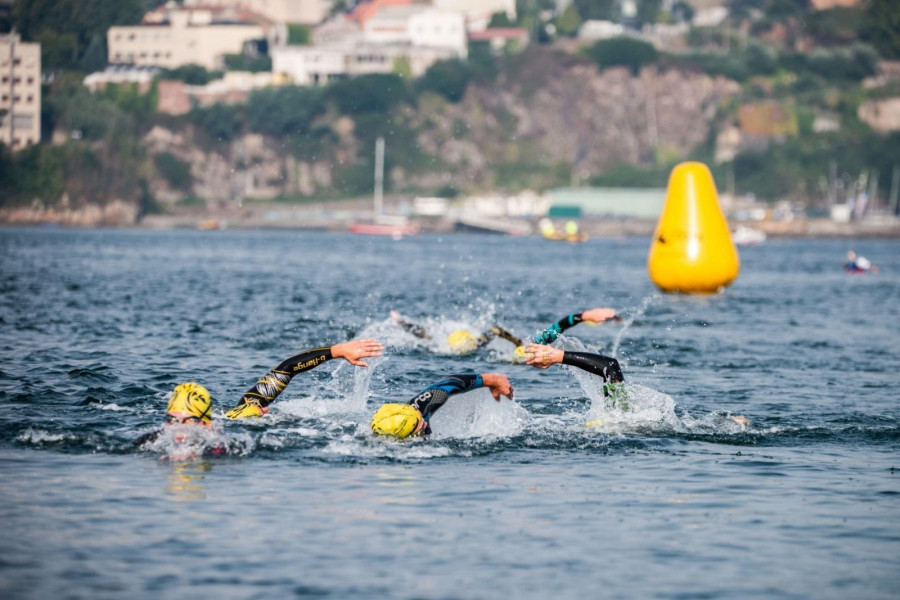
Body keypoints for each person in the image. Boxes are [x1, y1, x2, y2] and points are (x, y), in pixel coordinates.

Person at [137, 339, 384, 446]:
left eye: (188, 421)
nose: (178, 431)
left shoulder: (239, 419)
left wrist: (337, 351)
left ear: (206, 424)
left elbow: (286, 369)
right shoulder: (149, 442)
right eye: (172, 420)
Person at [523, 342, 750, 427]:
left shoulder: (617, 414)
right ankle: (727, 422)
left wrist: (558, 356)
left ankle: (727, 422)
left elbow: (610, 365)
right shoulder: (615, 415)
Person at [390, 307, 620, 357]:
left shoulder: (528, 348)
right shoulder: (529, 350)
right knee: (428, 337)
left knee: (428, 337)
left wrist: (583, 316)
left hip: (459, 344)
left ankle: (401, 322)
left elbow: (558, 327)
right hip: (464, 345)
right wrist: (582, 316)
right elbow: (559, 327)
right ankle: (402, 322)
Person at [371, 373, 514, 438]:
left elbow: (449, 384)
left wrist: (491, 380)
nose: (425, 425)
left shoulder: (416, 409)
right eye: (420, 429)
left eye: (422, 420)